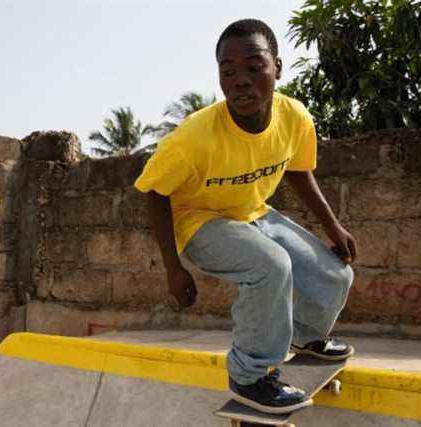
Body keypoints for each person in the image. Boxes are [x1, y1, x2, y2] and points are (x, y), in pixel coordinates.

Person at [133, 18, 357, 414]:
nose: (240, 80)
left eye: (254, 67)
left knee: (334, 275)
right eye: (228, 71)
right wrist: (173, 266)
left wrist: (332, 225)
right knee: (271, 266)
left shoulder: (295, 118)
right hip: (200, 221)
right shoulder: (193, 137)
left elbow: (299, 170)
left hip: (253, 211)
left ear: (277, 69)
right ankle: (249, 376)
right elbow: (153, 192)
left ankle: (305, 336)